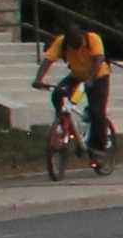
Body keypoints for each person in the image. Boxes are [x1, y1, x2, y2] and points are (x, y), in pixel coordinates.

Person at [37, 24, 111, 159]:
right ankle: (67, 126)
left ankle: (99, 146)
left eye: (76, 42)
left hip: (98, 76)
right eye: (71, 42)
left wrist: (90, 80)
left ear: (81, 35)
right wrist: (39, 79)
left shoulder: (92, 39)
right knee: (57, 95)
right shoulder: (61, 42)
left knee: (96, 111)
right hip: (76, 75)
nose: (74, 45)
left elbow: (99, 60)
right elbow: (48, 61)